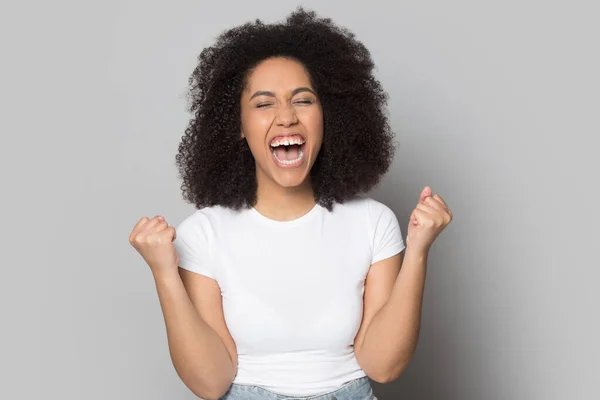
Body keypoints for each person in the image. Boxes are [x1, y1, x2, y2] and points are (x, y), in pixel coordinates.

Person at [129, 7, 452, 400]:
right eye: (264, 104)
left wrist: (418, 250)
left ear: (328, 116)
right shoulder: (204, 233)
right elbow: (210, 383)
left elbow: (383, 366)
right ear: (238, 126)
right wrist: (164, 272)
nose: (286, 118)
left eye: (302, 101)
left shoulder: (373, 223)